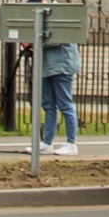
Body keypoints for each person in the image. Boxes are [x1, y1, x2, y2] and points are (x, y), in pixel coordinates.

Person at [35, 11, 82, 158]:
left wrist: (34, 42)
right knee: (49, 105)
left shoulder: (58, 17)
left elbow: (56, 39)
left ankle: (71, 143)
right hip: (47, 67)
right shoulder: (45, 18)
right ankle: (47, 143)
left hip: (62, 66)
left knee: (65, 104)